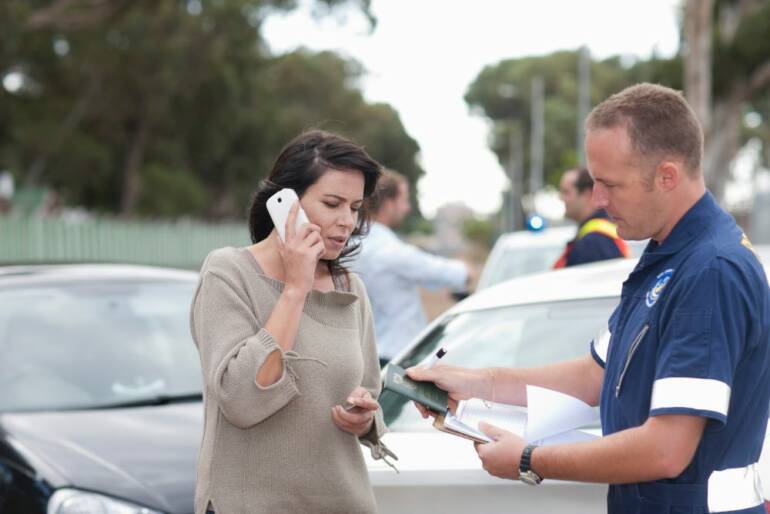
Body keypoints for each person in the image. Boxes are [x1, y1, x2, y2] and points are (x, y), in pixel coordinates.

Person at [409, 83, 770, 514]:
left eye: (610, 185)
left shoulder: (709, 271)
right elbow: (594, 376)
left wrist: (528, 459)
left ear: (667, 176)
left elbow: (666, 449)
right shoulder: (669, 254)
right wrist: (475, 382)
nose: (598, 201)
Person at [190, 130, 394, 514]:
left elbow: (369, 392)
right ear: (284, 204)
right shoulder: (228, 272)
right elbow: (240, 399)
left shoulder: (351, 288)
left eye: (354, 207)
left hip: (342, 502)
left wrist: (364, 418)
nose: (347, 221)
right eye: (332, 203)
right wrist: (295, 289)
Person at [352, 169, 470, 367]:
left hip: (361, 356)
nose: (407, 208)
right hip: (396, 356)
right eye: (404, 200)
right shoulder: (391, 251)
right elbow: (454, 274)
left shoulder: (348, 246)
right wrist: (468, 269)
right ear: (389, 204)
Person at [553, 167, 630, 268]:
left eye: (566, 192)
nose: (561, 198)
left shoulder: (593, 242)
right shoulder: (599, 232)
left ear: (587, 194)